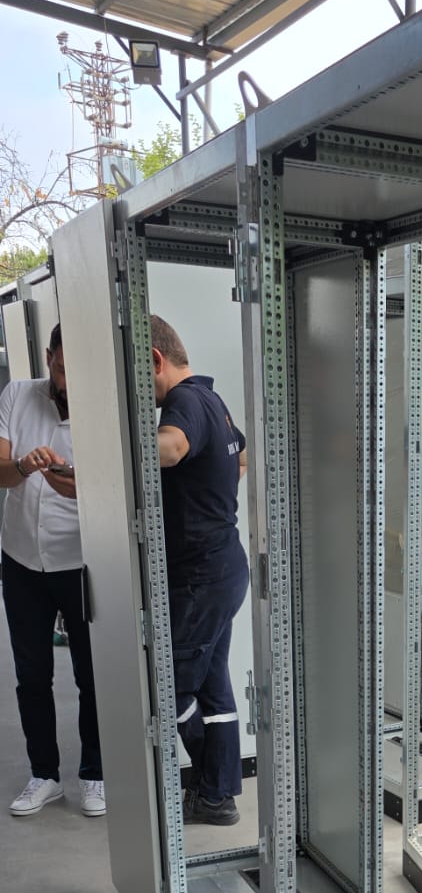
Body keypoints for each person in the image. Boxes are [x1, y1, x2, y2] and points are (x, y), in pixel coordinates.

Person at [0, 324, 105, 817]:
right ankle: (44, 775)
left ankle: (96, 774)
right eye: (61, 368)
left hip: (80, 560)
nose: (67, 381)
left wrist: (76, 482)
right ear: (48, 357)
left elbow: (118, 488)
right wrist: (24, 466)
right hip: (20, 558)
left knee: (92, 675)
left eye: (76, 370)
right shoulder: (17, 395)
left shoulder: (104, 408)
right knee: (31, 675)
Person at [151, 315, 249, 826]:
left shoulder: (184, 402)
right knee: (212, 686)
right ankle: (217, 796)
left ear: (155, 360)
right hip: (223, 566)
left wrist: (108, 445)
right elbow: (241, 455)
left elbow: (170, 448)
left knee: (168, 685)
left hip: (201, 577)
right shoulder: (213, 400)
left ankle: (211, 786)